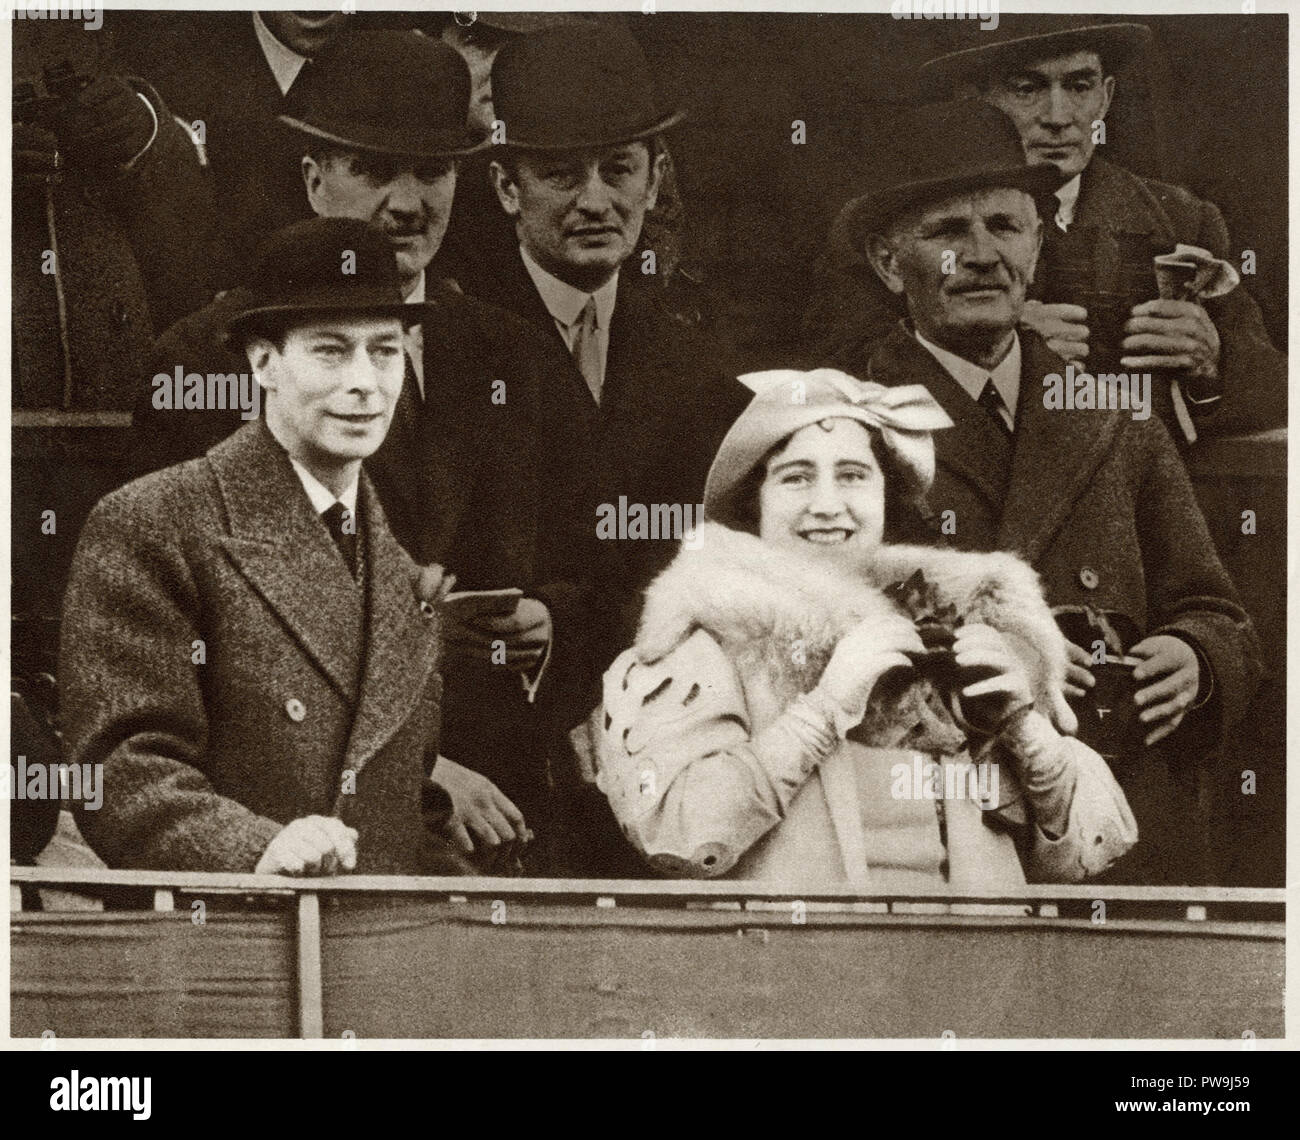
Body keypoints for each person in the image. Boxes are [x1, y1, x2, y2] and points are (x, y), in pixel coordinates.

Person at [135, 31, 599, 869]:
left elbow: (580, 550)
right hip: (305, 824)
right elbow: (223, 640)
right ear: (314, 180)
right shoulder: (211, 359)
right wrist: (419, 771)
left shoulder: (509, 352)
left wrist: (548, 619)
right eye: (375, 170)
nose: (409, 202)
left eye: (433, 171)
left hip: (508, 807)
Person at [830, 100, 1259, 884]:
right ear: (891, 265)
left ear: (1036, 243)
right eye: (948, 233)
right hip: (942, 830)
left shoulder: (1115, 414)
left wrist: (1197, 659)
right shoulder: (845, 423)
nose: (984, 254)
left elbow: (1218, 611)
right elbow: (816, 643)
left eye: (1004, 225)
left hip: (1115, 818)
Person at [597, 369, 1137, 888]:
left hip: (980, 969)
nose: (828, 506)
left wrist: (1024, 726)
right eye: (796, 477)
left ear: (884, 495)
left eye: (853, 475)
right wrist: (823, 711)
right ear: (753, 503)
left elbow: (1095, 847)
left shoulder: (962, 631)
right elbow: (676, 836)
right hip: (796, 968)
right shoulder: (701, 637)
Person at [60, 218, 476, 876]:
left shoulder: (397, 567)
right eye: (332, 352)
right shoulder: (156, 524)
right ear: (262, 362)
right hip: (230, 950)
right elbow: (121, 770)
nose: (365, 382)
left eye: (385, 351)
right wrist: (257, 847)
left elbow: (394, 810)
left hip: (378, 954)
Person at [806, 17, 1286, 440]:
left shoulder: (1179, 217)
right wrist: (989, 346)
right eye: (1026, 88)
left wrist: (1211, 364)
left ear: (1107, 96)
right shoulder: (892, 223)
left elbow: (1275, 394)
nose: (1058, 118)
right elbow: (827, 382)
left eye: (1079, 87)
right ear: (974, 100)